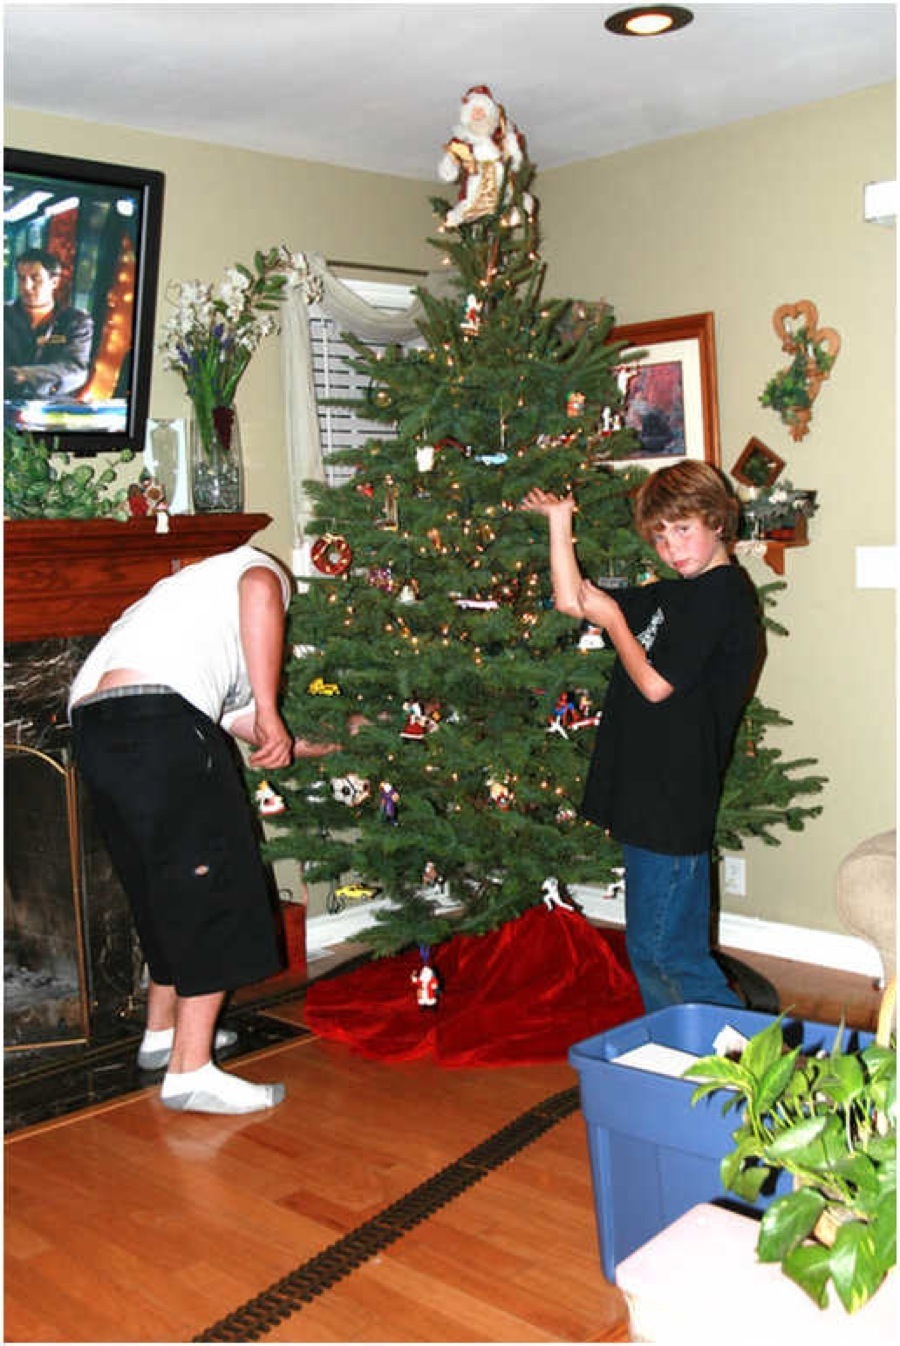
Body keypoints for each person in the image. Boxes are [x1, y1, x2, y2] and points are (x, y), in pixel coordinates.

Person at [68, 545, 333, 1114]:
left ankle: (163, 1037)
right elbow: (263, 591)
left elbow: (246, 726)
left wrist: (338, 734)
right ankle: (191, 1071)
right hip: (160, 720)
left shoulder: (178, 619)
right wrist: (270, 707)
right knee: (216, 886)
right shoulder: (256, 570)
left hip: (96, 726)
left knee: (163, 887)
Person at [521, 461, 762, 1012]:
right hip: (646, 790)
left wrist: (616, 624)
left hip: (674, 798)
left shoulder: (721, 596)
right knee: (655, 950)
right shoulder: (676, 595)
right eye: (660, 534)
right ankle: (688, 1062)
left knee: (668, 954)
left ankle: (737, 1071)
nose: (671, 547)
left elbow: (656, 685)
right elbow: (573, 600)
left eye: (683, 529)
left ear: (718, 522)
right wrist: (559, 522)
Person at [5, 247, 93, 399]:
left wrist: (23, 375)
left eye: (35, 278)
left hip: (53, 408)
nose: (26, 286)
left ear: (54, 282)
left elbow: (75, 369)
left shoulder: (75, 322)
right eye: (21, 278)